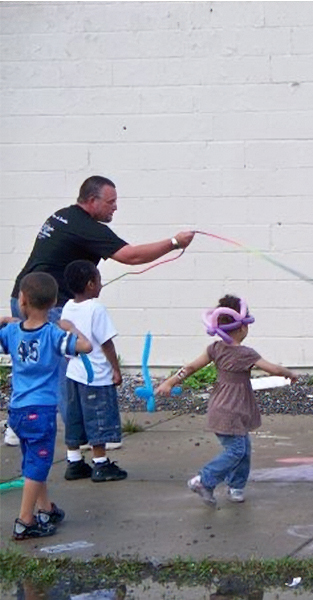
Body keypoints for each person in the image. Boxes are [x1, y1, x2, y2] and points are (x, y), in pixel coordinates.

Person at [6, 175, 196, 426]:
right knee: (66, 375)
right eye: (111, 202)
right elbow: (131, 256)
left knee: (30, 368)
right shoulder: (86, 228)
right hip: (49, 308)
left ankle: (18, 425)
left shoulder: (62, 215)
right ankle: (78, 437)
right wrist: (174, 243)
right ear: (92, 200)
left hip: (21, 298)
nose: (115, 207)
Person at [156, 295, 299, 506]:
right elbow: (274, 369)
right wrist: (290, 374)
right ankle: (204, 480)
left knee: (243, 449)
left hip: (224, 406)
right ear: (243, 327)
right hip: (231, 409)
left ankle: (236, 487)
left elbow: (191, 367)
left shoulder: (215, 349)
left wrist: (170, 381)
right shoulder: (246, 354)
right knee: (237, 451)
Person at [0, 272, 92, 540]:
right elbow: (85, 346)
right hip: (40, 412)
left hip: (17, 411)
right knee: (38, 466)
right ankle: (25, 521)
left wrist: (7, 320)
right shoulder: (54, 334)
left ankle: (45, 509)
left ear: (22, 300)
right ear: (53, 303)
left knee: (32, 461)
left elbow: (8, 332)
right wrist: (70, 327)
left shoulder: (12, 332)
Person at [60, 260, 127, 483]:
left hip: (73, 373)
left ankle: (74, 461)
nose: (101, 284)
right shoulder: (96, 309)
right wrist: (115, 369)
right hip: (96, 375)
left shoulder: (68, 306)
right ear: (90, 284)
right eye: (99, 280)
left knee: (75, 416)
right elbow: (106, 342)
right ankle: (100, 463)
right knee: (98, 417)